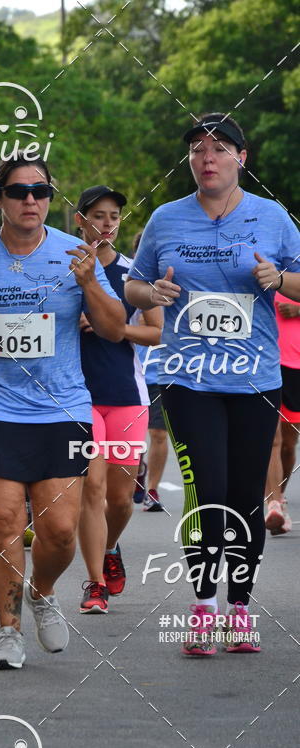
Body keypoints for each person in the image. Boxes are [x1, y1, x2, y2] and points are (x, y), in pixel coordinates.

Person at [0, 155, 126, 669]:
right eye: (19, 192)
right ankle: (7, 630)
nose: (31, 200)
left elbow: (113, 328)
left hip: (61, 406)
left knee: (59, 531)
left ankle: (42, 591)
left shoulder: (76, 253)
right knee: (4, 519)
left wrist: (89, 285)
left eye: (40, 191)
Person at [126, 113, 300, 656]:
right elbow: (133, 285)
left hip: (255, 379)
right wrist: (152, 293)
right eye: (198, 150)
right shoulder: (166, 219)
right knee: (211, 490)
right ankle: (203, 608)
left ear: (240, 158)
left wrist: (279, 279)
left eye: (219, 149)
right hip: (188, 378)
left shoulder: (272, 218)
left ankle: (240, 608)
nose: (207, 158)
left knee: (248, 494)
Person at [75, 187, 162, 612]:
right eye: (98, 215)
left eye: (114, 216)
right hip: (77, 397)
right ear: (80, 219)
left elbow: (158, 330)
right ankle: (94, 584)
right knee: (91, 487)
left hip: (126, 395)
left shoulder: (132, 275)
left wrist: (115, 327)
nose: (107, 223)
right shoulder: (64, 269)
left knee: (120, 498)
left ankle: (110, 547)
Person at [131, 232, 169, 512]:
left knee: (158, 434)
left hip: (162, 372)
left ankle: (153, 489)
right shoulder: (129, 284)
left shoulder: (174, 282)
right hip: (131, 372)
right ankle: (137, 467)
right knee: (132, 439)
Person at [264, 290, 300, 534]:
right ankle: (273, 504)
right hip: (268, 361)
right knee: (272, 439)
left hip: (296, 366)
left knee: (289, 444)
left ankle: (281, 496)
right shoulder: (265, 261)